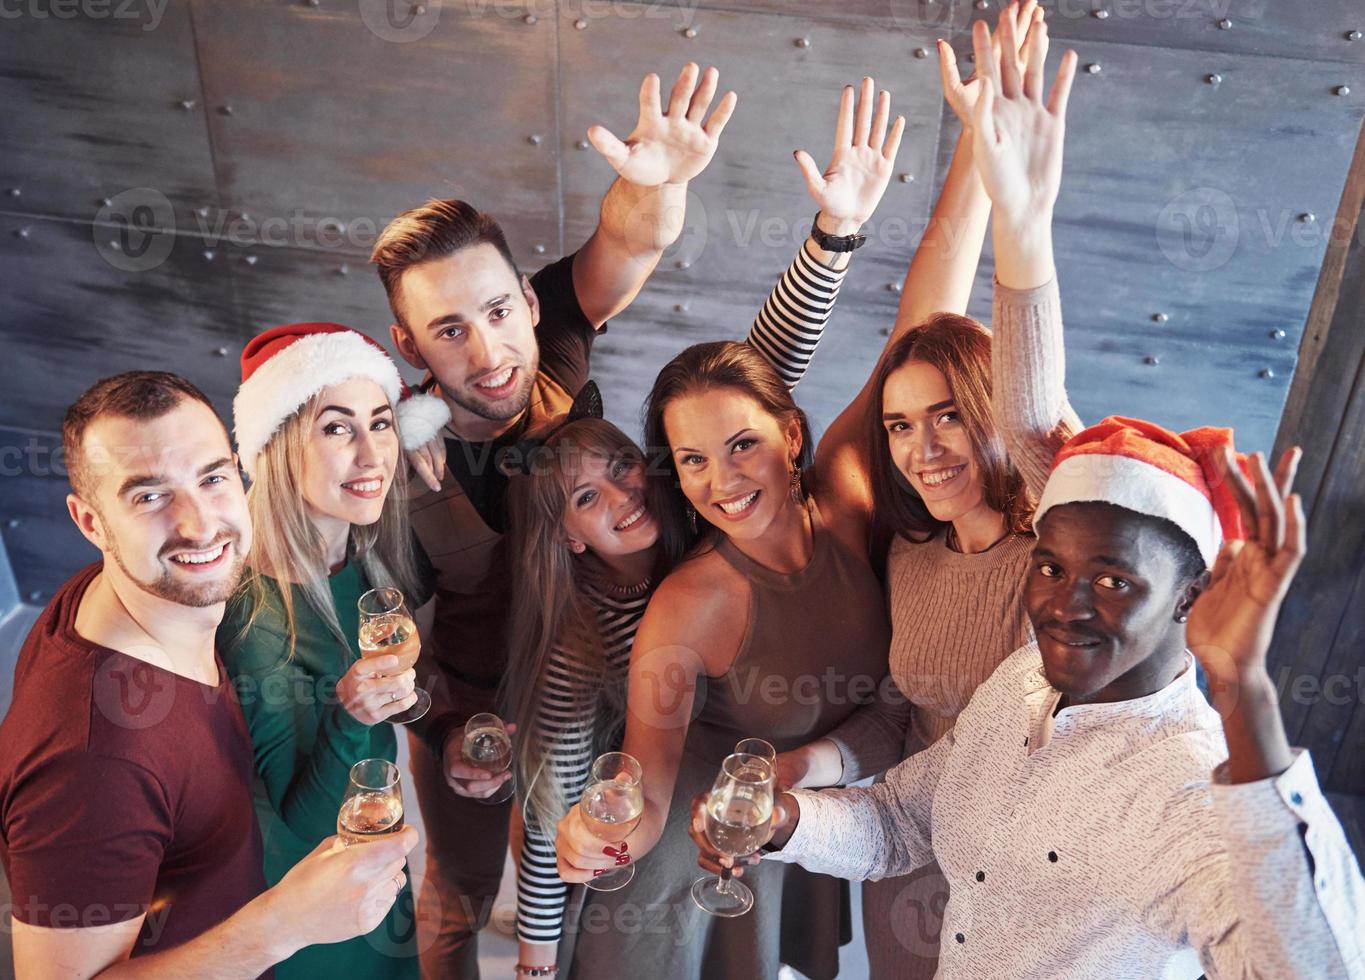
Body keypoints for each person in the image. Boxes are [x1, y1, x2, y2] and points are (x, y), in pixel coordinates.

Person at [694, 22, 1365, 977]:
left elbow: (1309, 961)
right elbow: (902, 818)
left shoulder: (1182, 783)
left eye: (1113, 580)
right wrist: (787, 816)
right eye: (1051, 566)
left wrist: (1247, 691)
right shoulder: (1022, 684)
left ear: (1190, 596)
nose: (1060, 599)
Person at [552, 71, 992, 978]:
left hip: (810, 800)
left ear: (790, 435)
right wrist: (593, 834)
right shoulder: (690, 605)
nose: (721, 480)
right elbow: (648, 776)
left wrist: (986, 148)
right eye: (692, 461)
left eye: (741, 444)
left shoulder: (856, 492)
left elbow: (928, 323)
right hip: (705, 837)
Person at [368, 63, 738, 976]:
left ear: (529, 302)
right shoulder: (393, 468)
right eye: (448, 329)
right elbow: (385, 644)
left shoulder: (554, 347)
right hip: (475, 704)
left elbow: (628, 239)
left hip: (597, 698)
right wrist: (444, 730)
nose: (488, 351)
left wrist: (657, 184)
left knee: (572, 883)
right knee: (455, 895)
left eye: (499, 312)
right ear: (407, 345)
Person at [504, 126, 895, 972]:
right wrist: (557, 896)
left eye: (625, 469)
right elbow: (588, 796)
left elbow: (756, 375)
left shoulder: (776, 501)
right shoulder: (635, 621)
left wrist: (833, 237)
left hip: (778, 809)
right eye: (690, 461)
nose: (716, 480)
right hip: (679, 843)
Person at [0, 371, 418, 979]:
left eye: (212, 478)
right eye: (148, 496)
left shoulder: (130, 597)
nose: (200, 526)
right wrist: (286, 925)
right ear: (90, 522)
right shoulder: (95, 760)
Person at [218, 323, 452, 978]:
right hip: (307, 905)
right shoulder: (258, 614)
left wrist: (441, 732)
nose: (372, 454)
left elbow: (385, 714)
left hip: (375, 865)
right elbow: (304, 821)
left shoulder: (359, 553)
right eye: (336, 428)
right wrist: (352, 713)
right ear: (279, 444)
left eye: (380, 423)